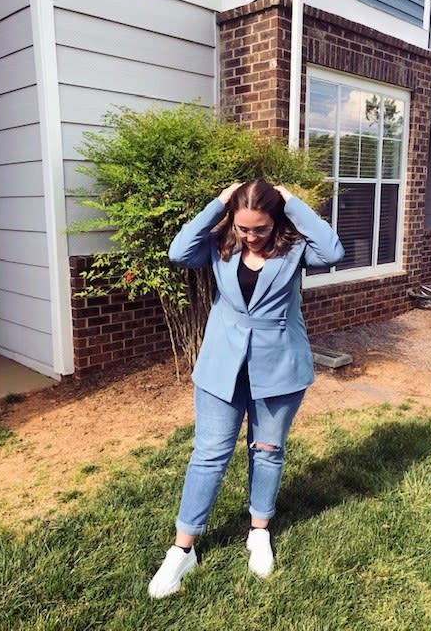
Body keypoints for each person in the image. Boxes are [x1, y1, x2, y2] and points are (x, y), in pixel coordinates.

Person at [148, 179, 344, 598]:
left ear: (276, 221)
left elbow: (334, 250)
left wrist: (293, 201)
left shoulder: (295, 249)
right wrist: (218, 202)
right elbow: (178, 250)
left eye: (260, 228)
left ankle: (259, 531)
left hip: (279, 367)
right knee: (209, 455)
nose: (251, 236)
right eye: (243, 228)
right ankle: (183, 549)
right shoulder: (220, 244)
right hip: (222, 366)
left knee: (268, 451)